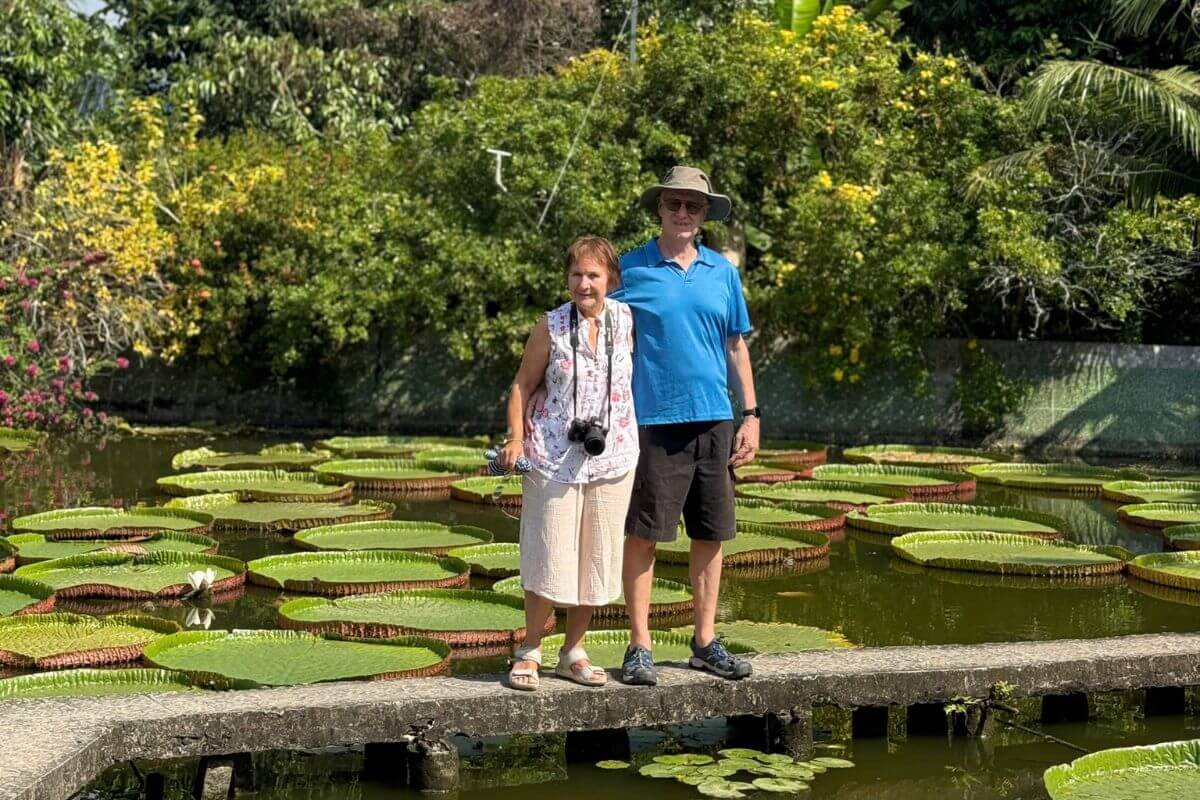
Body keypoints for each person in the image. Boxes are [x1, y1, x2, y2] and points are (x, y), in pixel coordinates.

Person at [612, 165, 760, 685]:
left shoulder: (723, 273)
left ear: (704, 216)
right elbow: (594, 329)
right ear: (660, 208)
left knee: (711, 534)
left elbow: (735, 346)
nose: (682, 213)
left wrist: (752, 416)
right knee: (644, 535)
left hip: (716, 421)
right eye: (674, 204)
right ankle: (639, 646)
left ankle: (703, 642)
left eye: (692, 207)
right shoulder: (628, 270)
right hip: (655, 422)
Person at [497, 235, 638, 691]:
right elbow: (521, 385)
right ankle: (530, 651)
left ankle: (572, 651)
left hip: (611, 455)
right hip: (551, 456)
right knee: (546, 554)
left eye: (593, 275)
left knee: (596, 558)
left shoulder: (627, 319)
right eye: (576, 274)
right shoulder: (550, 326)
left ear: (610, 279)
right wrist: (515, 439)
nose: (584, 284)